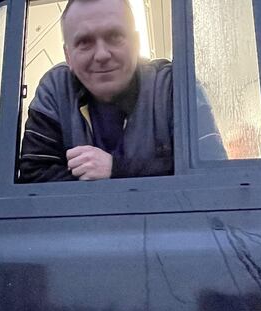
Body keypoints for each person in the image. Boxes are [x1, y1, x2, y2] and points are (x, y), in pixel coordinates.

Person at [19, 0, 225, 183]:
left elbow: (213, 175)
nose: (101, 54)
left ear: (136, 43)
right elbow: (33, 178)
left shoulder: (175, 86)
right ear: (68, 56)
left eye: (114, 36)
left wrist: (117, 169)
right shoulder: (55, 90)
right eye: (85, 42)